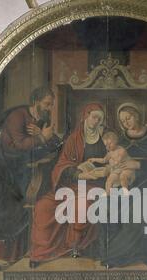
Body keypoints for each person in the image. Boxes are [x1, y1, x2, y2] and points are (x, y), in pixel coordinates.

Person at [0, 86, 62, 271]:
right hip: (7, 173)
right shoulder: (17, 116)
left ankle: (14, 254)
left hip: (25, 172)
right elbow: (18, 146)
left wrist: (45, 138)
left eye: (51, 105)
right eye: (47, 104)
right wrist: (41, 138)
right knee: (6, 214)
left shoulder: (41, 119)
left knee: (23, 211)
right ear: (36, 101)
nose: (50, 108)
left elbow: (56, 143)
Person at [100, 102, 147, 267]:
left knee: (139, 207)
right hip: (128, 182)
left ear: (137, 115)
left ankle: (119, 254)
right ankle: (115, 251)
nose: (126, 123)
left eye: (128, 118)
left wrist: (139, 165)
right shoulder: (121, 139)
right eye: (122, 121)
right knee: (109, 204)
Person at [30, 103, 107, 266]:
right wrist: (78, 172)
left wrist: (98, 171)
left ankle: (75, 247)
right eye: (93, 117)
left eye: (99, 119)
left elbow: (113, 160)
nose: (95, 121)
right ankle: (41, 254)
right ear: (86, 116)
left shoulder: (106, 138)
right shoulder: (74, 138)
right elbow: (62, 164)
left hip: (95, 185)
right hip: (71, 184)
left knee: (82, 205)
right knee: (44, 206)